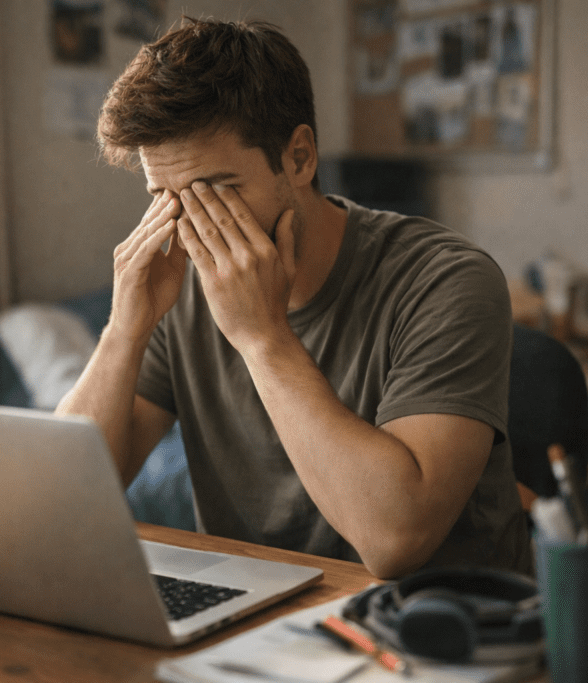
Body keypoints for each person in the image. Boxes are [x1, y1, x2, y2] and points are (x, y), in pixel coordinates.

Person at [56, 16, 532, 579]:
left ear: (300, 157)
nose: (194, 226)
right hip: (255, 624)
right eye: (164, 196)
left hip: (437, 633)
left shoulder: (446, 280)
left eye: (217, 191)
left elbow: (395, 540)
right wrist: (124, 330)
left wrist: (262, 338)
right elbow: (62, 501)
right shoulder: (178, 284)